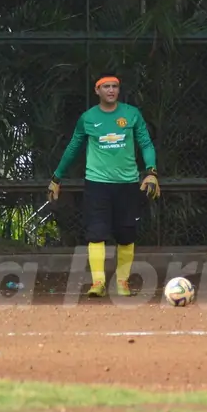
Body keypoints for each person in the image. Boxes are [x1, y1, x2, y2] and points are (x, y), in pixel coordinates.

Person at [47, 73, 160, 297]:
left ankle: (122, 282)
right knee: (96, 233)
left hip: (128, 184)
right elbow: (72, 148)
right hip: (97, 184)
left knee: (126, 235)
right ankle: (97, 283)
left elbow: (145, 143)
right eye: (106, 86)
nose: (111, 90)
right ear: (97, 91)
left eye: (115, 86)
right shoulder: (88, 118)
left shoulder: (131, 114)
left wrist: (152, 172)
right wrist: (56, 178)